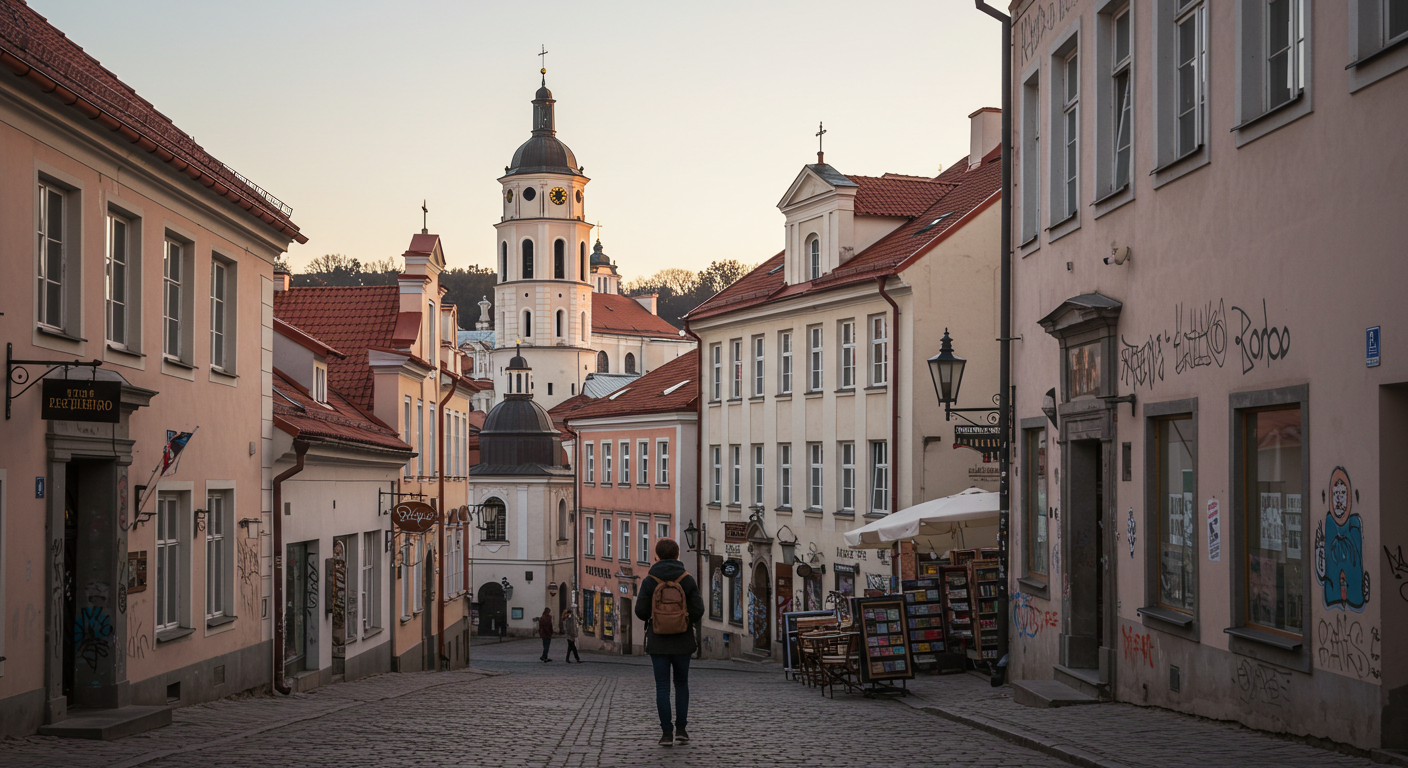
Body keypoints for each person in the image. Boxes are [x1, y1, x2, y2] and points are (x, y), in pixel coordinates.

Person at [635, 537, 704, 747]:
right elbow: (699, 610)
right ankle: (681, 730)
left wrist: (657, 617)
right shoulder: (687, 579)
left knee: (662, 687)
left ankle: (666, 733)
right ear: (677, 555)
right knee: (681, 684)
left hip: (658, 641)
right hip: (683, 640)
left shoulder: (650, 581)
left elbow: (640, 612)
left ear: (657, 556)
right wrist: (683, 620)